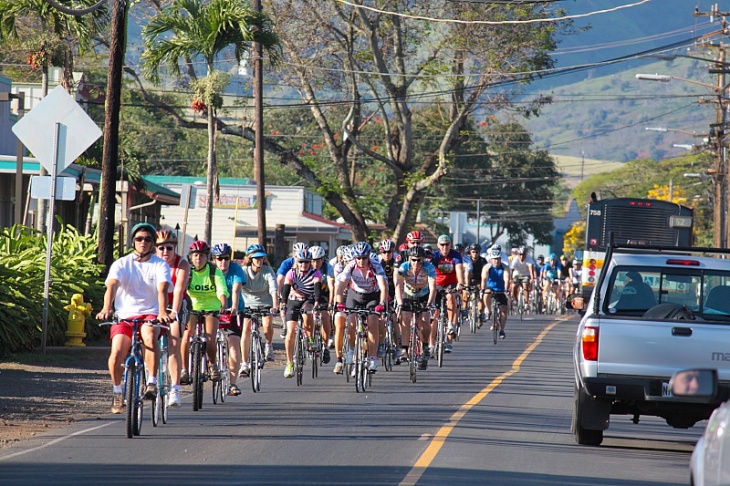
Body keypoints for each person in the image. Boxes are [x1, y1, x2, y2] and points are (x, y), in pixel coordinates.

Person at [96, 222, 172, 414]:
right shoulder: (122, 264)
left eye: (147, 239)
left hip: (151, 313)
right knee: (117, 352)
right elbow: (112, 286)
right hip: (125, 316)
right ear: (133, 242)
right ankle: (117, 392)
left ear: (153, 243)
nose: (143, 242)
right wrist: (107, 308)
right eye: (139, 239)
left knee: (148, 335)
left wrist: (162, 312)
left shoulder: (160, 264)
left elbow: (163, 288)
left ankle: (152, 382)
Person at [333, 242, 388, 374]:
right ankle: (351, 350)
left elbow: (383, 286)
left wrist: (381, 303)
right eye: (358, 258)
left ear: (368, 257)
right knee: (351, 321)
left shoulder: (375, 266)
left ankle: (373, 358)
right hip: (355, 295)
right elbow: (340, 286)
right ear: (355, 258)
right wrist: (339, 303)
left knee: (373, 321)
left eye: (364, 258)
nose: (361, 261)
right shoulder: (351, 266)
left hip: (372, 295)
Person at [182, 240, 229, 384]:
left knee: (209, 338)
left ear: (207, 257)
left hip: (211, 307)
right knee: (186, 336)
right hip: (192, 307)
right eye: (195, 255)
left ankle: (212, 364)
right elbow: (181, 289)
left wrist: (223, 303)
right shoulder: (187, 271)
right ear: (190, 256)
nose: (198, 258)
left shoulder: (215, 271)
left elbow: (222, 290)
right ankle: (184, 370)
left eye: (202, 255)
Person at [154, 229, 190, 407]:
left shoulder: (182, 263)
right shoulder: (150, 262)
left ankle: (175, 388)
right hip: (155, 304)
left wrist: (173, 312)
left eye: (169, 248)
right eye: (161, 248)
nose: (165, 252)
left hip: (175, 304)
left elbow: (178, 291)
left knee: (174, 339)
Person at [280, 248, 322, 378]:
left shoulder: (316, 273)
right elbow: (286, 288)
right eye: (301, 262)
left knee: (307, 312)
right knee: (291, 331)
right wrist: (283, 302)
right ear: (297, 262)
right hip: (294, 300)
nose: (304, 265)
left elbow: (317, 288)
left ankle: (310, 339)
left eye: (307, 262)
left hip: (308, 300)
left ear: (310, 262)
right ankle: (289, 363)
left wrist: (316, 301)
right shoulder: (291, 273)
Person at [211, 243, 246, 396]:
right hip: (213, 309)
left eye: (226, 259)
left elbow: (236, 289)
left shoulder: (236, 269)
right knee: (206, 340)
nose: (223, 262)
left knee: (233, 344)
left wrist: (235, 307)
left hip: (233, 310)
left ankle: (233, 383)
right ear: (214, 260)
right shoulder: (209, 270)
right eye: (219, 259)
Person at [394, 245, 436, 369]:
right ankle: (405, 348)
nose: (416, 263)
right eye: (413, 260)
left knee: (425, 319)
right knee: (406, 317)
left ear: (423, 259)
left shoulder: (429, 267)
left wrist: (429, 304)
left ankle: (426, 346)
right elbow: (398, 286)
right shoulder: (404, 267)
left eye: (419, 260)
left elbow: (433, 287)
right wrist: (400, 303)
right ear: (409, 259)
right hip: (408, 295)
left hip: (424, 296)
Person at [240, 243, 279, 364]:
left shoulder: (268, 271)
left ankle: (268, 345)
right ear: (250, 259)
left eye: (262, 258)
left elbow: (273, 287)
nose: (260, 260)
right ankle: (244, 362)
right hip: (247, 303)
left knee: (267, 324)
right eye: (257, 258)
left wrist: (275, 305)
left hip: (265, 302)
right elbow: (237, 288)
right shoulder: (244, 271)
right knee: (246, 329)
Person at [430, 234, 464, 353]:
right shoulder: (435, 256)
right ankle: (431, 344)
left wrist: (460, 283)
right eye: (442, 245)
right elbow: (429, 271)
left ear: (450, 245)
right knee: (435, 315)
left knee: (451, 296)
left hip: (451, 284)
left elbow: (459, 270)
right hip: (437, 285)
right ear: (438, 245)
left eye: (447, 245)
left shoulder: (455, 255)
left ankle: (450, 328)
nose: (445, 247)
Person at [277, 242, 308, 338]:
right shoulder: (287, 263)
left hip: (304, 289)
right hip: (289, 286)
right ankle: (284, 324)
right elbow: (280, 279)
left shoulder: (308, 263)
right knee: (284, 303)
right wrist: (279, 295)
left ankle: (310, 339)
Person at [309, 245, 333, 363]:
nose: (315, 263)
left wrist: (331, 303)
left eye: (318, 260)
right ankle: (310, 340)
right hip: (310, 295)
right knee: (306, 316)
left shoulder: (328, 268)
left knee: (325, 317)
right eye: (312, 260)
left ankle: (326, 346)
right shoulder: (306, 267)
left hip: (324, 295)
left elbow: (333, 287)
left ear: (323, 260)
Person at [481, 247, 511, 339]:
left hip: (501, 289)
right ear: (491, 259)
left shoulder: (505, 267)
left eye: (498, 259)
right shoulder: (487, 267)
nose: (496, 261)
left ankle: (502, 330)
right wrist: (483, 289)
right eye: (494, 259)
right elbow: (484, 278)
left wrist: (506, 289)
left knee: (503, 309)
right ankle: (488, 309)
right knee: (486, 294)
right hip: (490, 288)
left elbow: (506, 279)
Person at [465, 243, 488, 324]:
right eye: (473, 252)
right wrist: (467, 287)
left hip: (479, 280)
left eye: (477, 252)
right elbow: (466, 274)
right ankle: (464, 310)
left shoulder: (483, 261)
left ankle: (480, 314)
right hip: (469, 280)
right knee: (464, 293)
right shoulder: (467, 260)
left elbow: (485, 274)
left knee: (481, 296)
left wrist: (483, 288)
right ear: (470, 252)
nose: (475, 254)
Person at [510, 246, 536, 312]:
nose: (521, 257)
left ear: (526, 254)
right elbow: (511, 270)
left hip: (525, 274)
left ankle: (526, 303)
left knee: (525, 286)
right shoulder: (515, 259)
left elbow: (531, 269)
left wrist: (532, 278)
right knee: (514, 286)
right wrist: (510, 279)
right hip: (517, 274)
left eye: (523, 255)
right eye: (520, 255)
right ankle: (515, 299)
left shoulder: (529, 259)